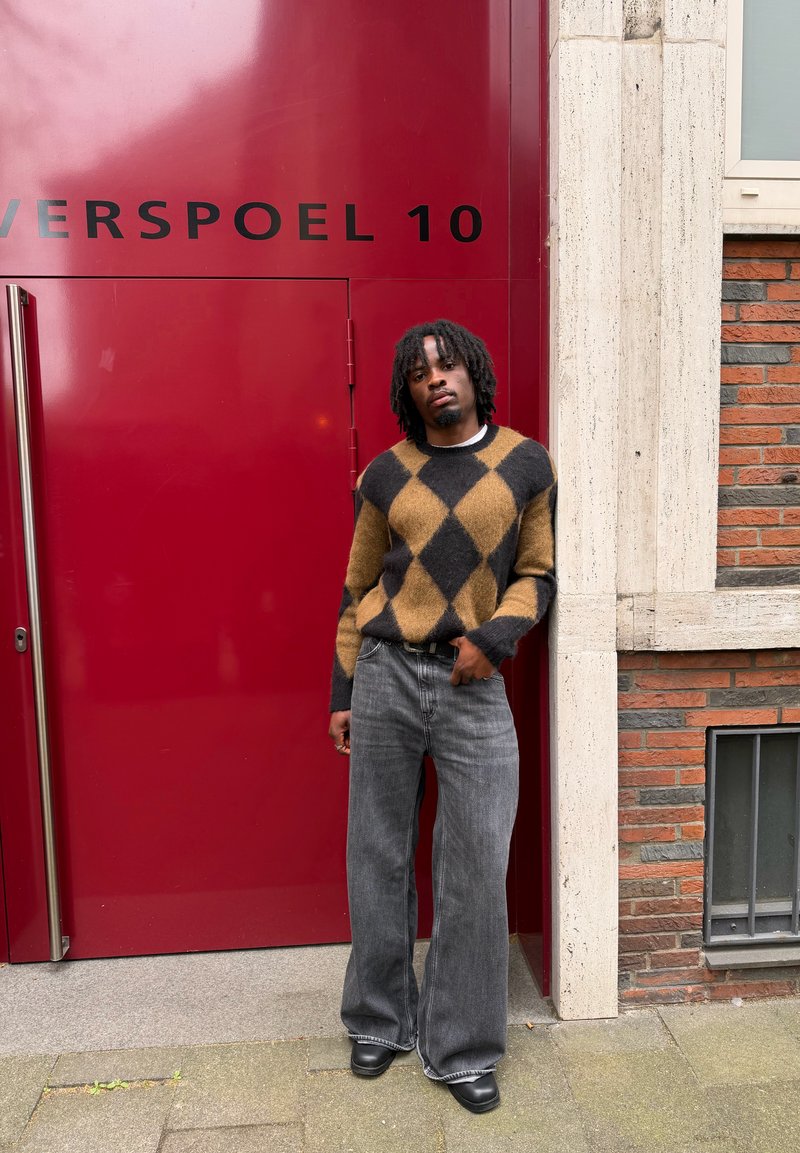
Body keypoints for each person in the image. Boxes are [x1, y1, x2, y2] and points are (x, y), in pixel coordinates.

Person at [328, 319, 556, 1114]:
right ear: (407, 389)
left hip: (473, 684)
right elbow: (358, 589)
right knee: (378, 852)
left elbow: (537, 574)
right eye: (420, 371)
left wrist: (493, 641)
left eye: (448, 364)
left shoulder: (525, 462)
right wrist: (341, 690)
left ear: (473, 372)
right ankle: (379, 1018)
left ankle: (461, 1044)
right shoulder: (384, 476)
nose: (436, 379)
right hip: (387, 676)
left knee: (476, 863)